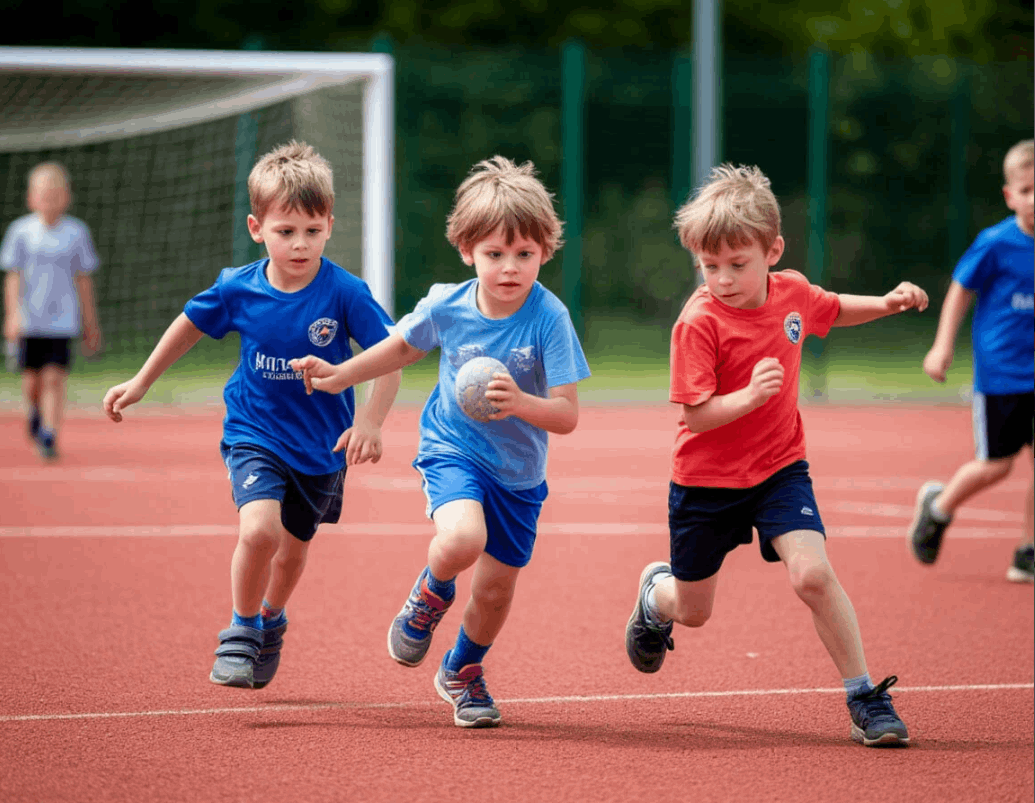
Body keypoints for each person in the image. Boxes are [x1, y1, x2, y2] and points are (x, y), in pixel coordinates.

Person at [624, 164, 928, 747]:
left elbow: (833, 308)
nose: (723, 278)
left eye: (737, 264)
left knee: (812, 574)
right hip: (705, 481)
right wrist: (750, 395)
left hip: (780, 468)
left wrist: (888, 303)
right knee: (693, 611)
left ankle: (865, 695)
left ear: (773, 250)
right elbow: (695, 415)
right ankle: (654, 596)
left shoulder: (791, 292)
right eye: (709, 267)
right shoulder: (698, 322)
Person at [291, 156, 591, 728]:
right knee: (461, 539)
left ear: (544, 253)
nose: (509, 268)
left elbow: (567, 415)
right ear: (467, 251)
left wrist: (521, 403)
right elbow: (401, 347)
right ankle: (431, 594)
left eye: (524, 254)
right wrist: (342, 373)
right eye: (494, 254)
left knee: (497, 593)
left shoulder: (550, 317)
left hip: (520, 474)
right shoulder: (447, 305)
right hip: (453, 448)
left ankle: (462, 671)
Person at [102, 141, 401, 689]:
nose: (300, 243)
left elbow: (392, 357)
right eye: (286, 231)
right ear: (257, 227)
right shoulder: (238, 287)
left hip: (321, 445)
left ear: (330, 226)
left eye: (312, 230)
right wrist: (143, 380)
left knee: (290, 555)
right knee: (259, 530)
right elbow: (189, 323)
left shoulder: (345, 292)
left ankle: (271, 619)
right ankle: (240, 632)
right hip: (254, 432)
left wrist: (371, 423)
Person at [909, 139, 1034, 583]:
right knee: (997, 464)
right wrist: (942, 346)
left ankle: (1028, 551)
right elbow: (961, 289)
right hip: (1003, 374)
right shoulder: (996, 243)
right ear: (1010, 195)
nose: (1034, 199)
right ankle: (939, 509)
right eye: (1027, 190)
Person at [2, 162, 102, 460]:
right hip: (30, 319)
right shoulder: (20, 232)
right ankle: (33, 415)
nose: (50, 199)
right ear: (31, 197)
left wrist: (90, 323)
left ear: (67, 196)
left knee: (54, 378)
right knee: (32, 381)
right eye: (43, 194)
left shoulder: (76, 232)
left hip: (62, 321)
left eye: (56, 193)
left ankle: (49, 432)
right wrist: (12, 314)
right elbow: (13, 276)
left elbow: (84, 280)